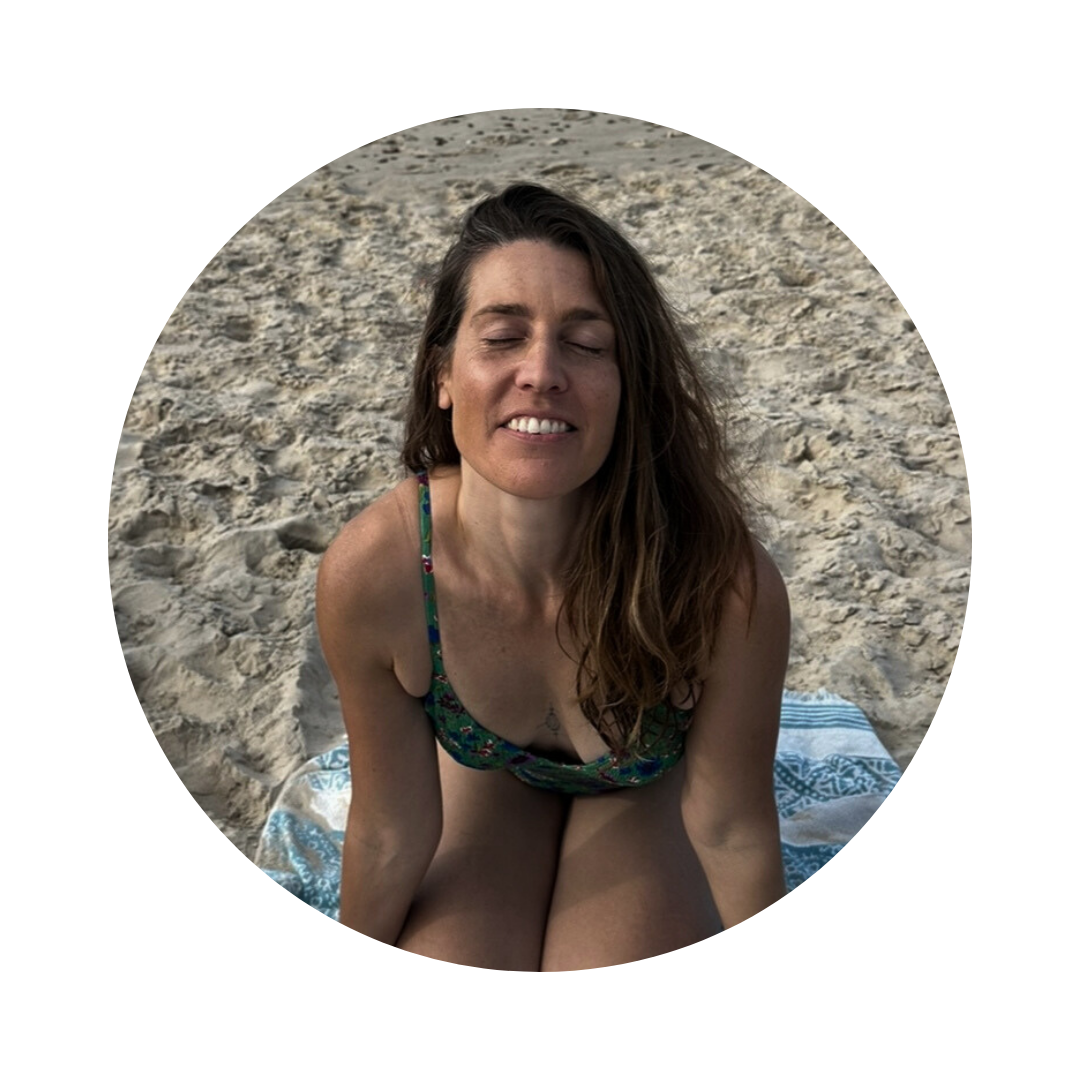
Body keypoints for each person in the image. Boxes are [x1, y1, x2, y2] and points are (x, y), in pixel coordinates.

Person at [317, 183, 791, 972]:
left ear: (630, 382)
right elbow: (390, 832)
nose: (541, 372)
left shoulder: (719, 581)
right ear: (442, 375)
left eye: (588, 344)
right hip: (489, 777)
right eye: (503, 337)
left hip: (645, 793)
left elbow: (730, 828)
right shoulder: (379, 573)